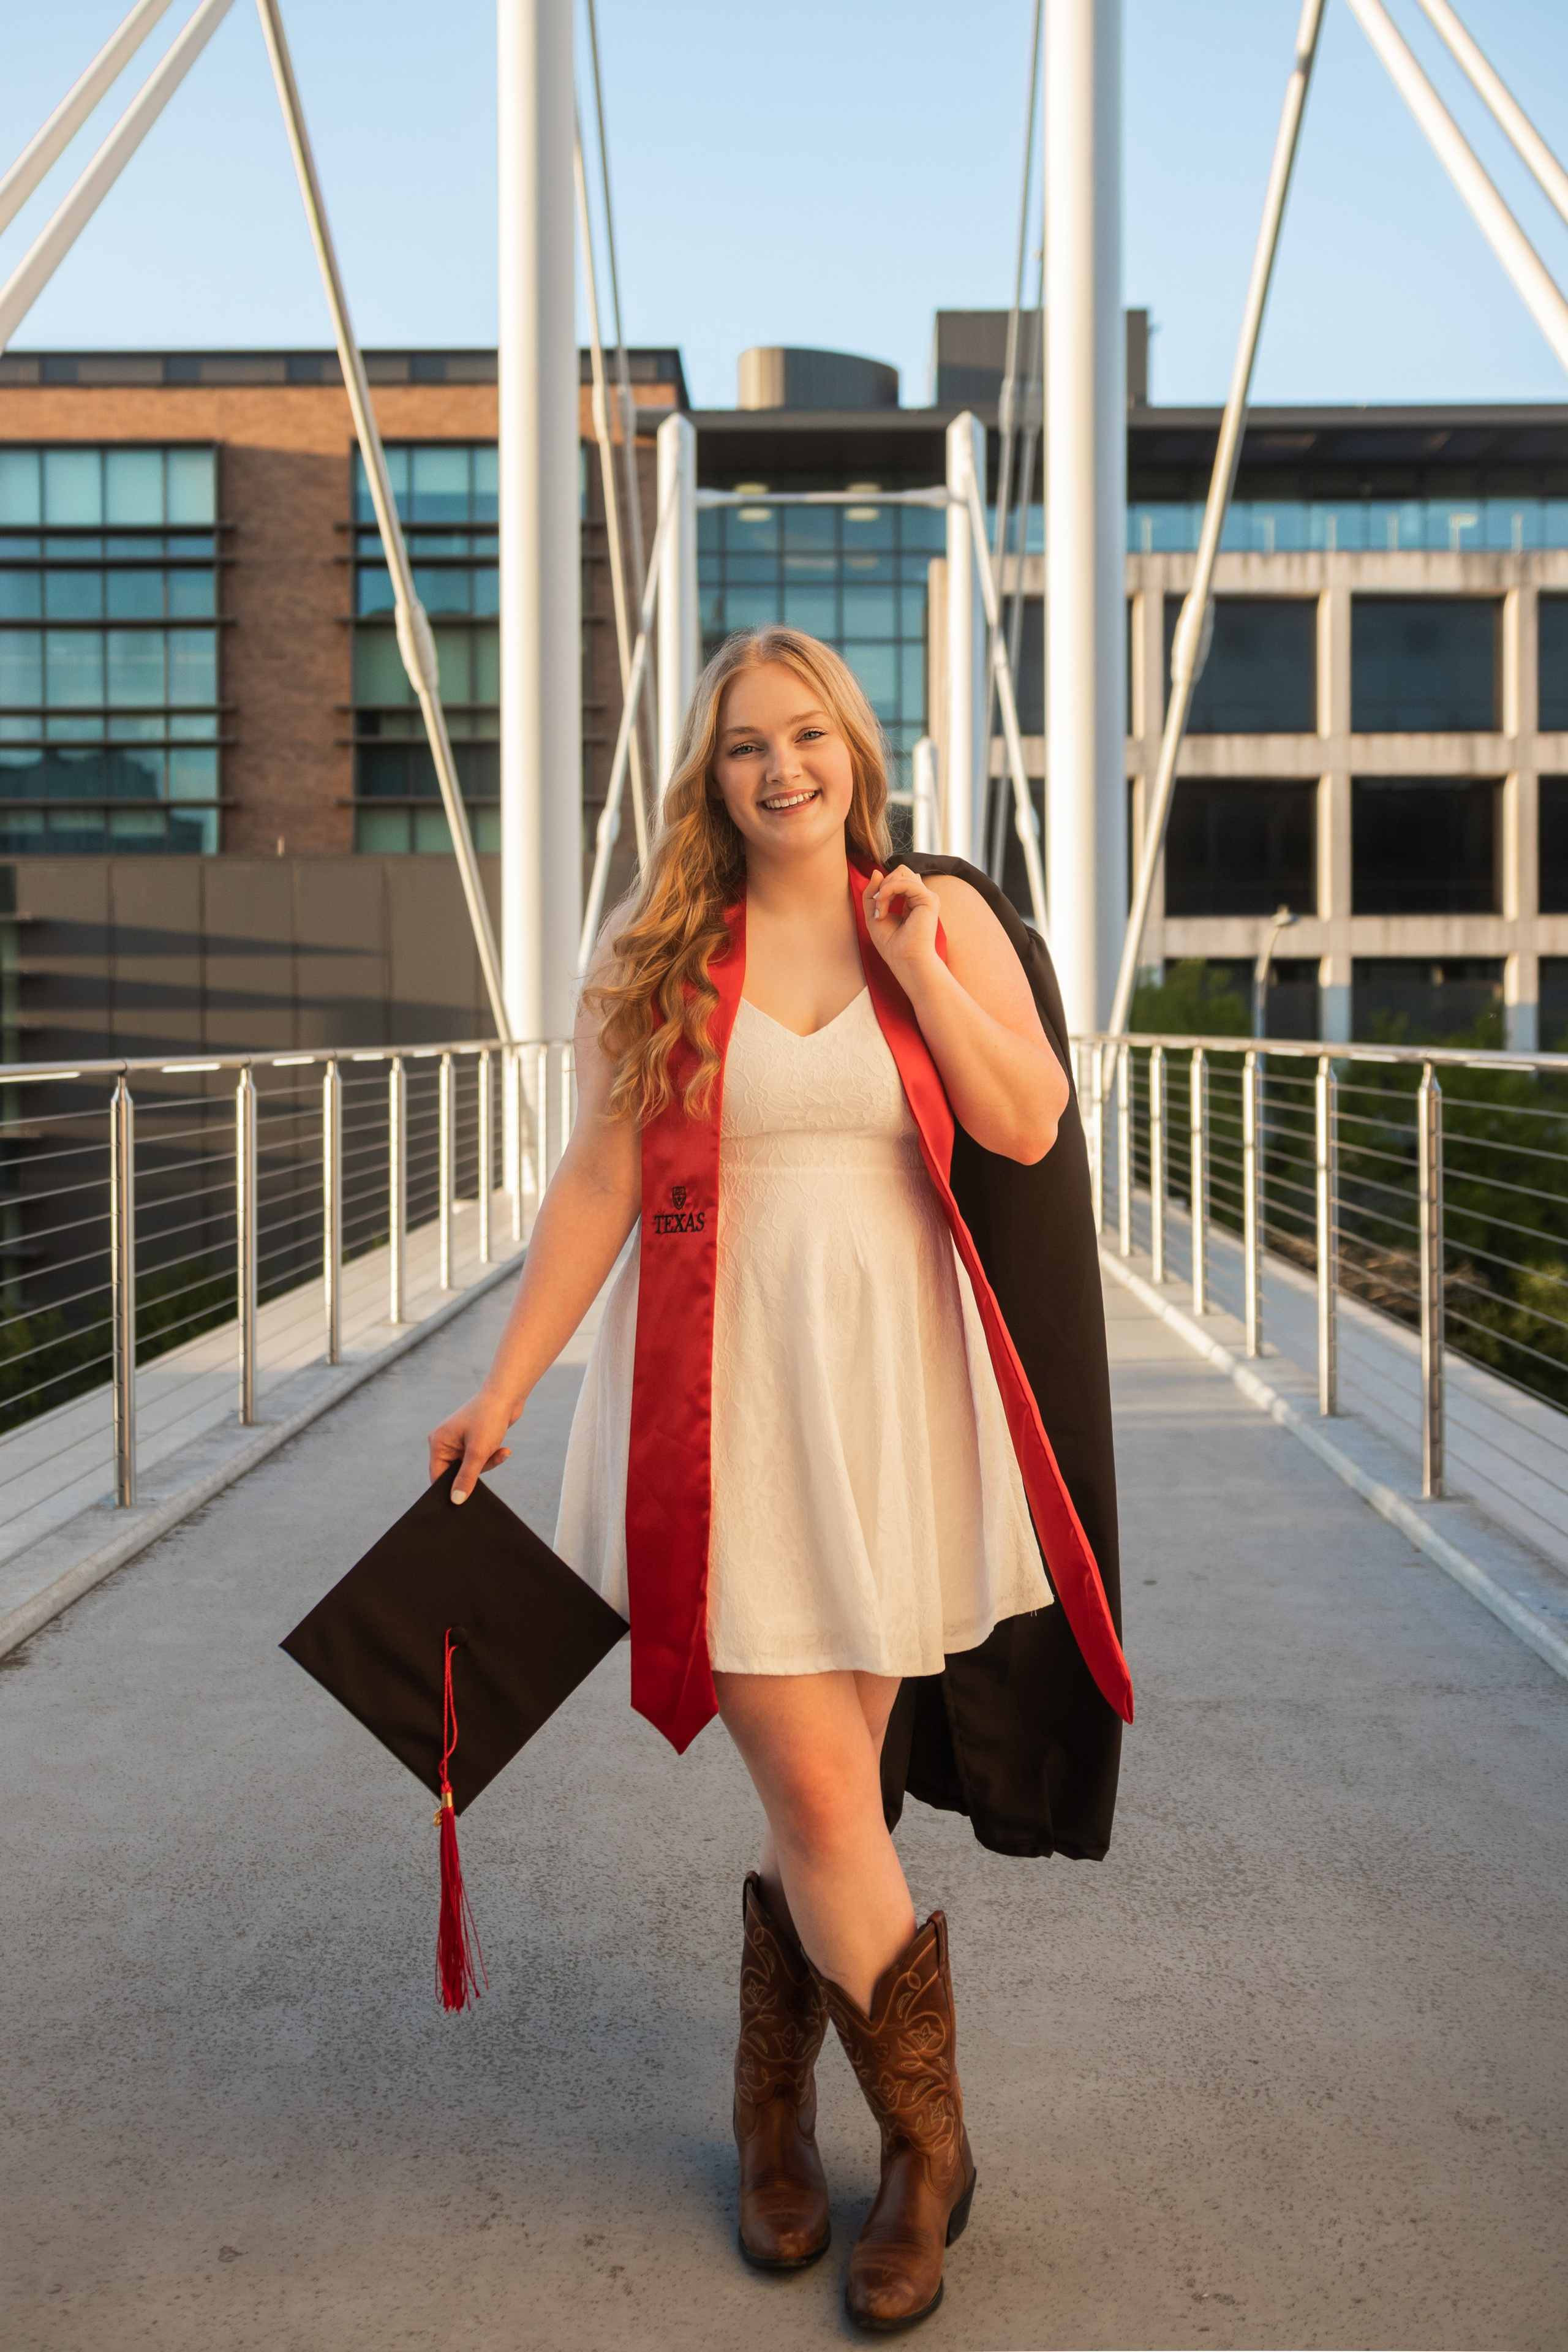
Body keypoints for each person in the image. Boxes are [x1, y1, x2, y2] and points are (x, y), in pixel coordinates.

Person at [428, 625, 1131, 2332]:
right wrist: (504, 1391)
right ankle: (928, 2149)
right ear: (712, 776)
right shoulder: (668, 953)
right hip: (717, 1395)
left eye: (807, 736)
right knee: (822, 1785)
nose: (781, 768)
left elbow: (1030, 1118)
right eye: (747, 745)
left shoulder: (937, 914)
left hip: (888, 1395)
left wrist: (924, 965)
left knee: (834, 1787)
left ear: (855, 752)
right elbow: (598, 1182)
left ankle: (771, 2118)